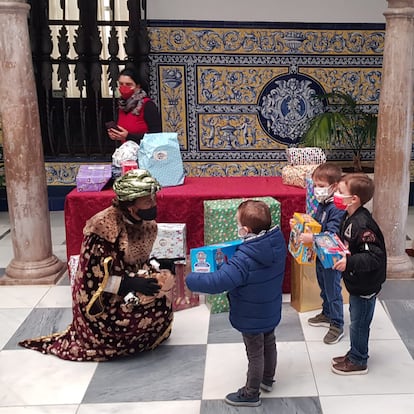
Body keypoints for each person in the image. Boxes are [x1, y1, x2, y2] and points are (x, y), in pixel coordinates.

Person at [19, 169, 175, 361]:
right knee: (128, 320)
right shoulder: (103, 228)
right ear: (131, 205)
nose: (154, 205)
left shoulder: (146, 224)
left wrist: (155, 265)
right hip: (103, 298)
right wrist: (128, 284)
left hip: (129, 284)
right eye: (147, 201)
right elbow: (91, 279)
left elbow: (137, 262)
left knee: (163, 304)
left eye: (153, 199)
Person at [186, 200, 287, 407]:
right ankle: (267, 379)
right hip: (270, 306)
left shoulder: (244, 259)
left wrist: (190, 278)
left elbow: (217, 282)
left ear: (245, 229)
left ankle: (251, 393)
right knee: (269, 341)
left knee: (255, 352)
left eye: (237, 223)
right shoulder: (276, 242)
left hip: (250, 312)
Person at [331, 173, 386, 375]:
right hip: (356, 281)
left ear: (354, 198)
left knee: (359, 324)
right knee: (356, 319)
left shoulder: (363, 224)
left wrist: (350, 262)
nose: (335, 194)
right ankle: (355, 351)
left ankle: (358, 360)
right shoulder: (349, 216)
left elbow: (374, 257)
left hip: (365, 284)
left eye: (340, 192)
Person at [293, 163, 346, 344]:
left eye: (321, 186)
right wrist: (301, 225)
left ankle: (337, 324)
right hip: (320, 255)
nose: (317, 190)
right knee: (323, 285)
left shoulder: (337, 208)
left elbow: (331, 235)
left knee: (333, 290)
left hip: (332, 258)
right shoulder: (322, 204)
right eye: (315, 185)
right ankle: (327, 312)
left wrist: (312, 238)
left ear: (335, 186)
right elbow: (316, 224)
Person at [107, 68, 162, 144]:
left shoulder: (147, 105)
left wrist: (128, 136)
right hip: (126, 152)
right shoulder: (122, 106)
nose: (124, 87)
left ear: (138, 86)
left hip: (145, 152)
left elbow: (156, 135)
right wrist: (116, 134)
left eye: (128, 84)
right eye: (121, 84)